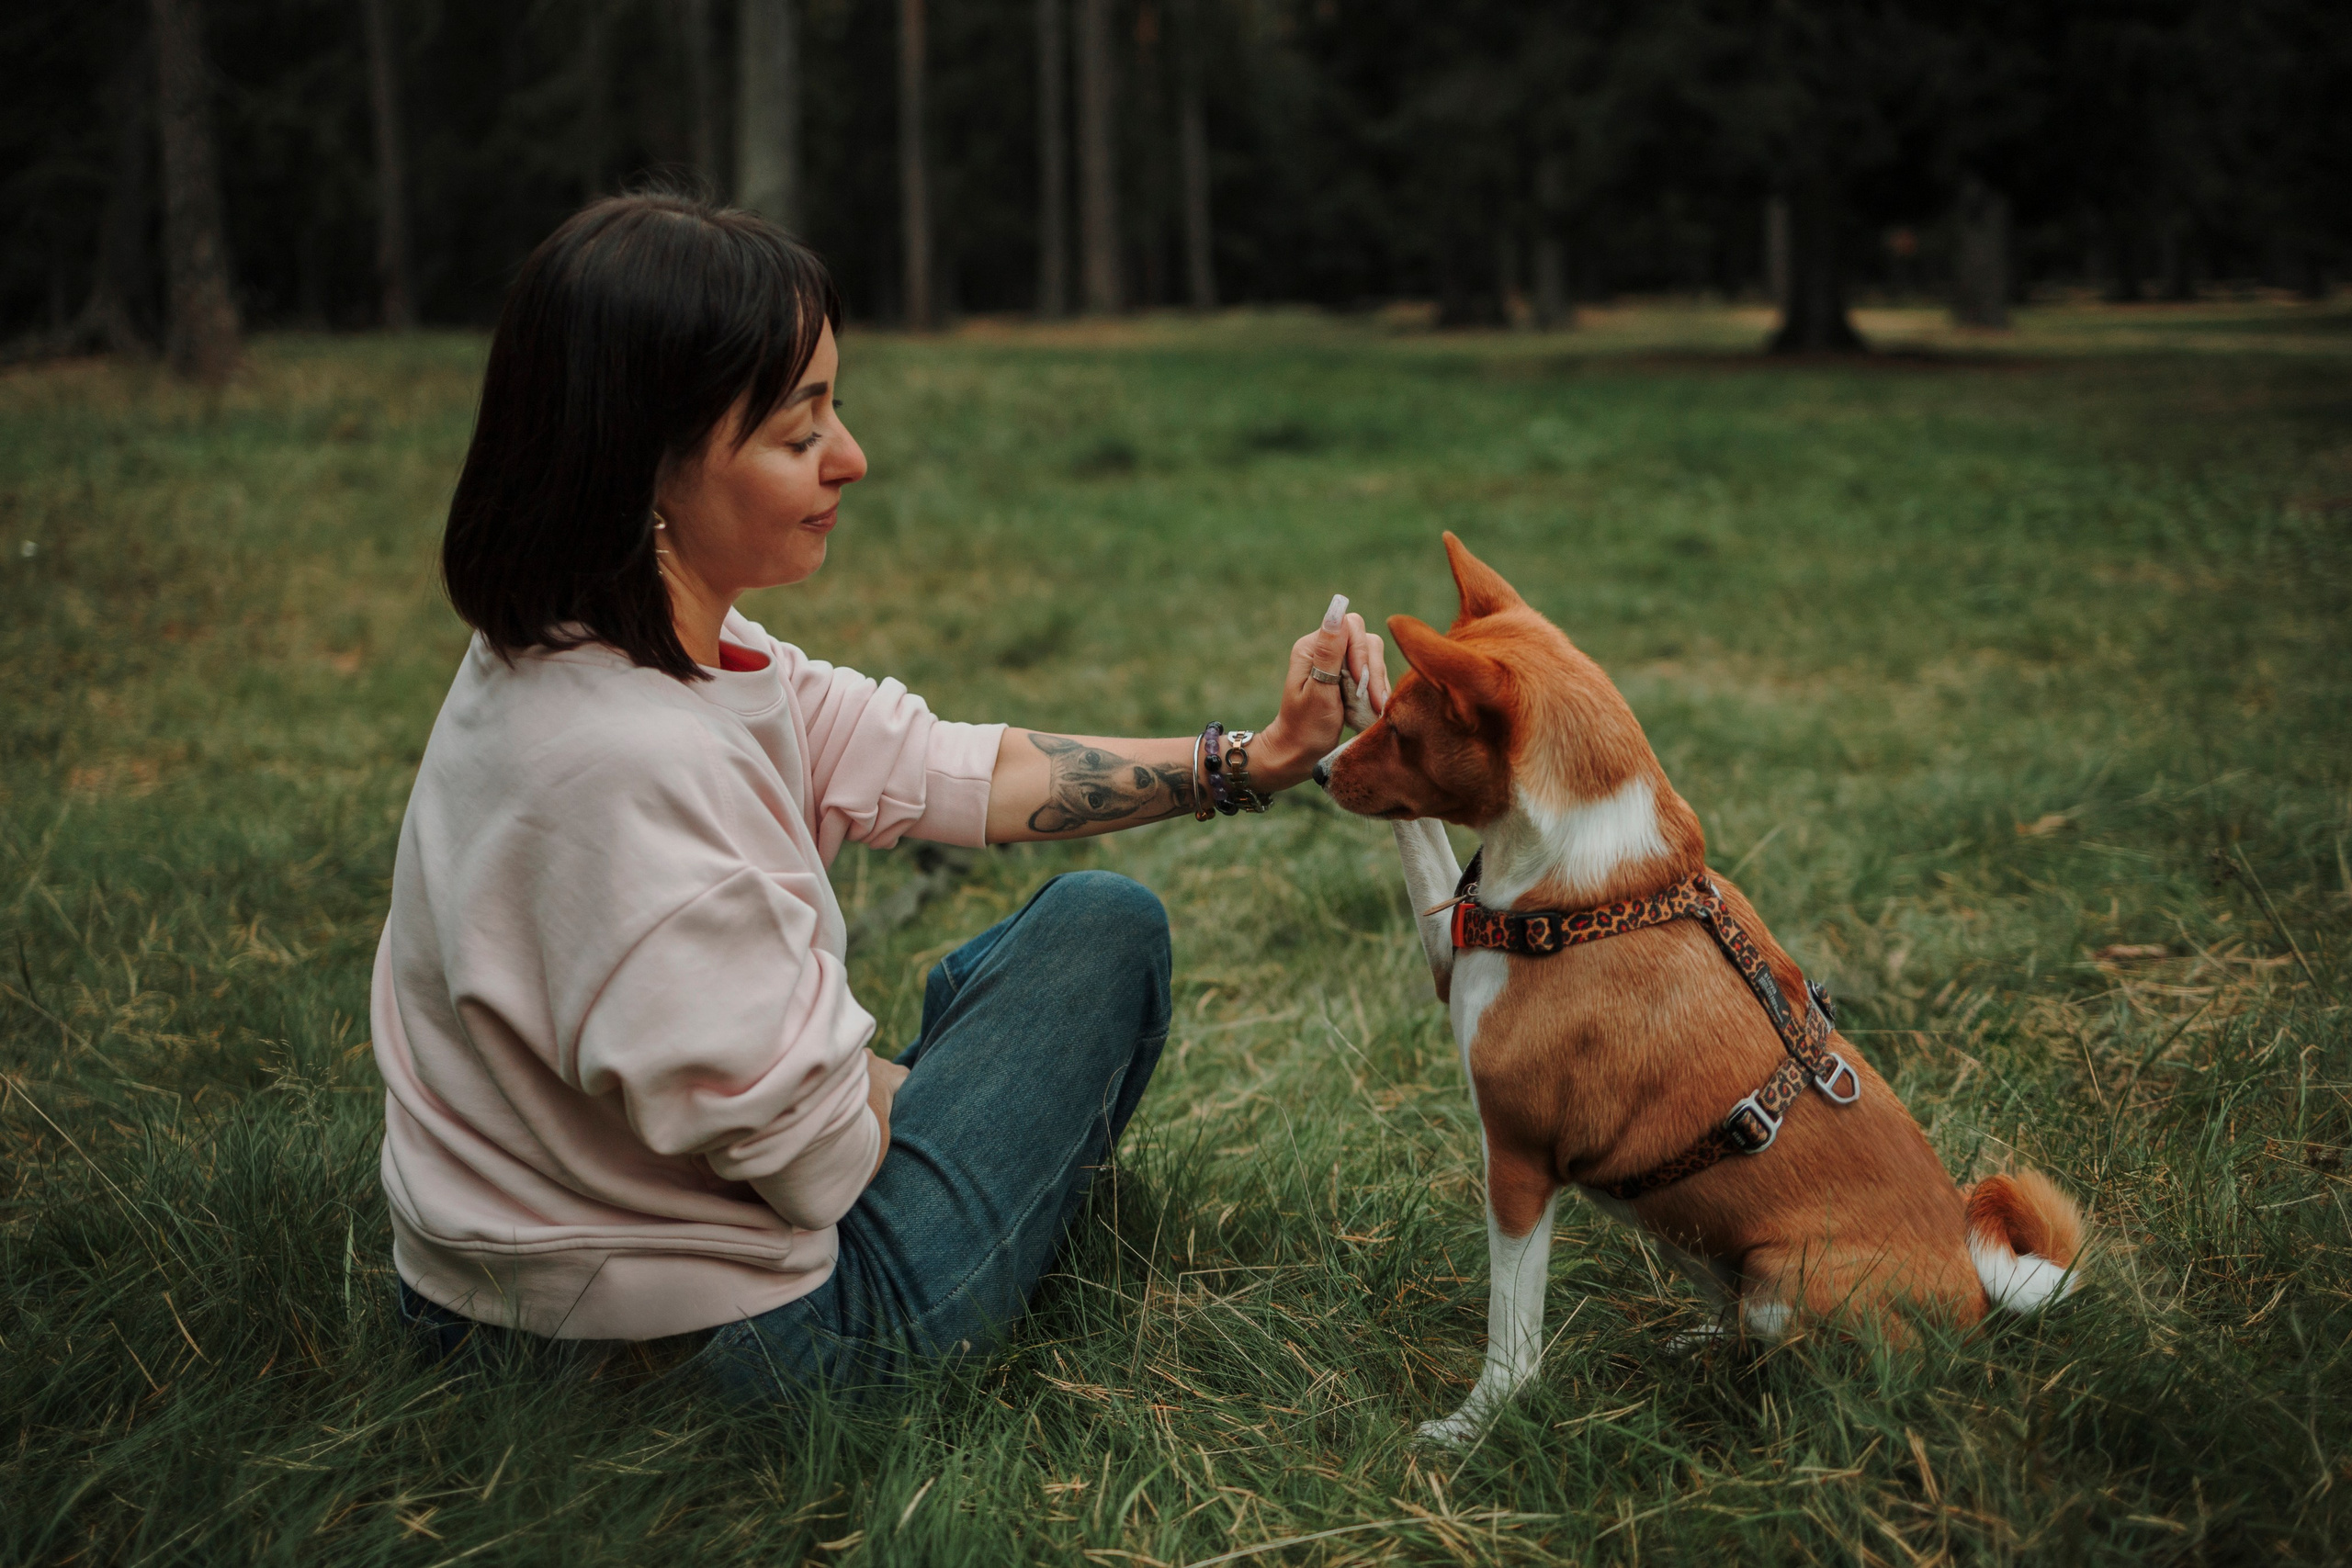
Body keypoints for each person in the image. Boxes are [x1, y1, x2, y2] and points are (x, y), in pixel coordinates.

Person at [375, 192, 1389, 1401]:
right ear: (648, 462)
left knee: (1056, 940)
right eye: (800, 433)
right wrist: (897, 1087)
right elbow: (810, 1170)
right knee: (1108, 938)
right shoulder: (632, 764)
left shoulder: (581, 645)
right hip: (709, 1348)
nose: (851, 458)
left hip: (494, 1287)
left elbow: (948, 767)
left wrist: (1257, 759)